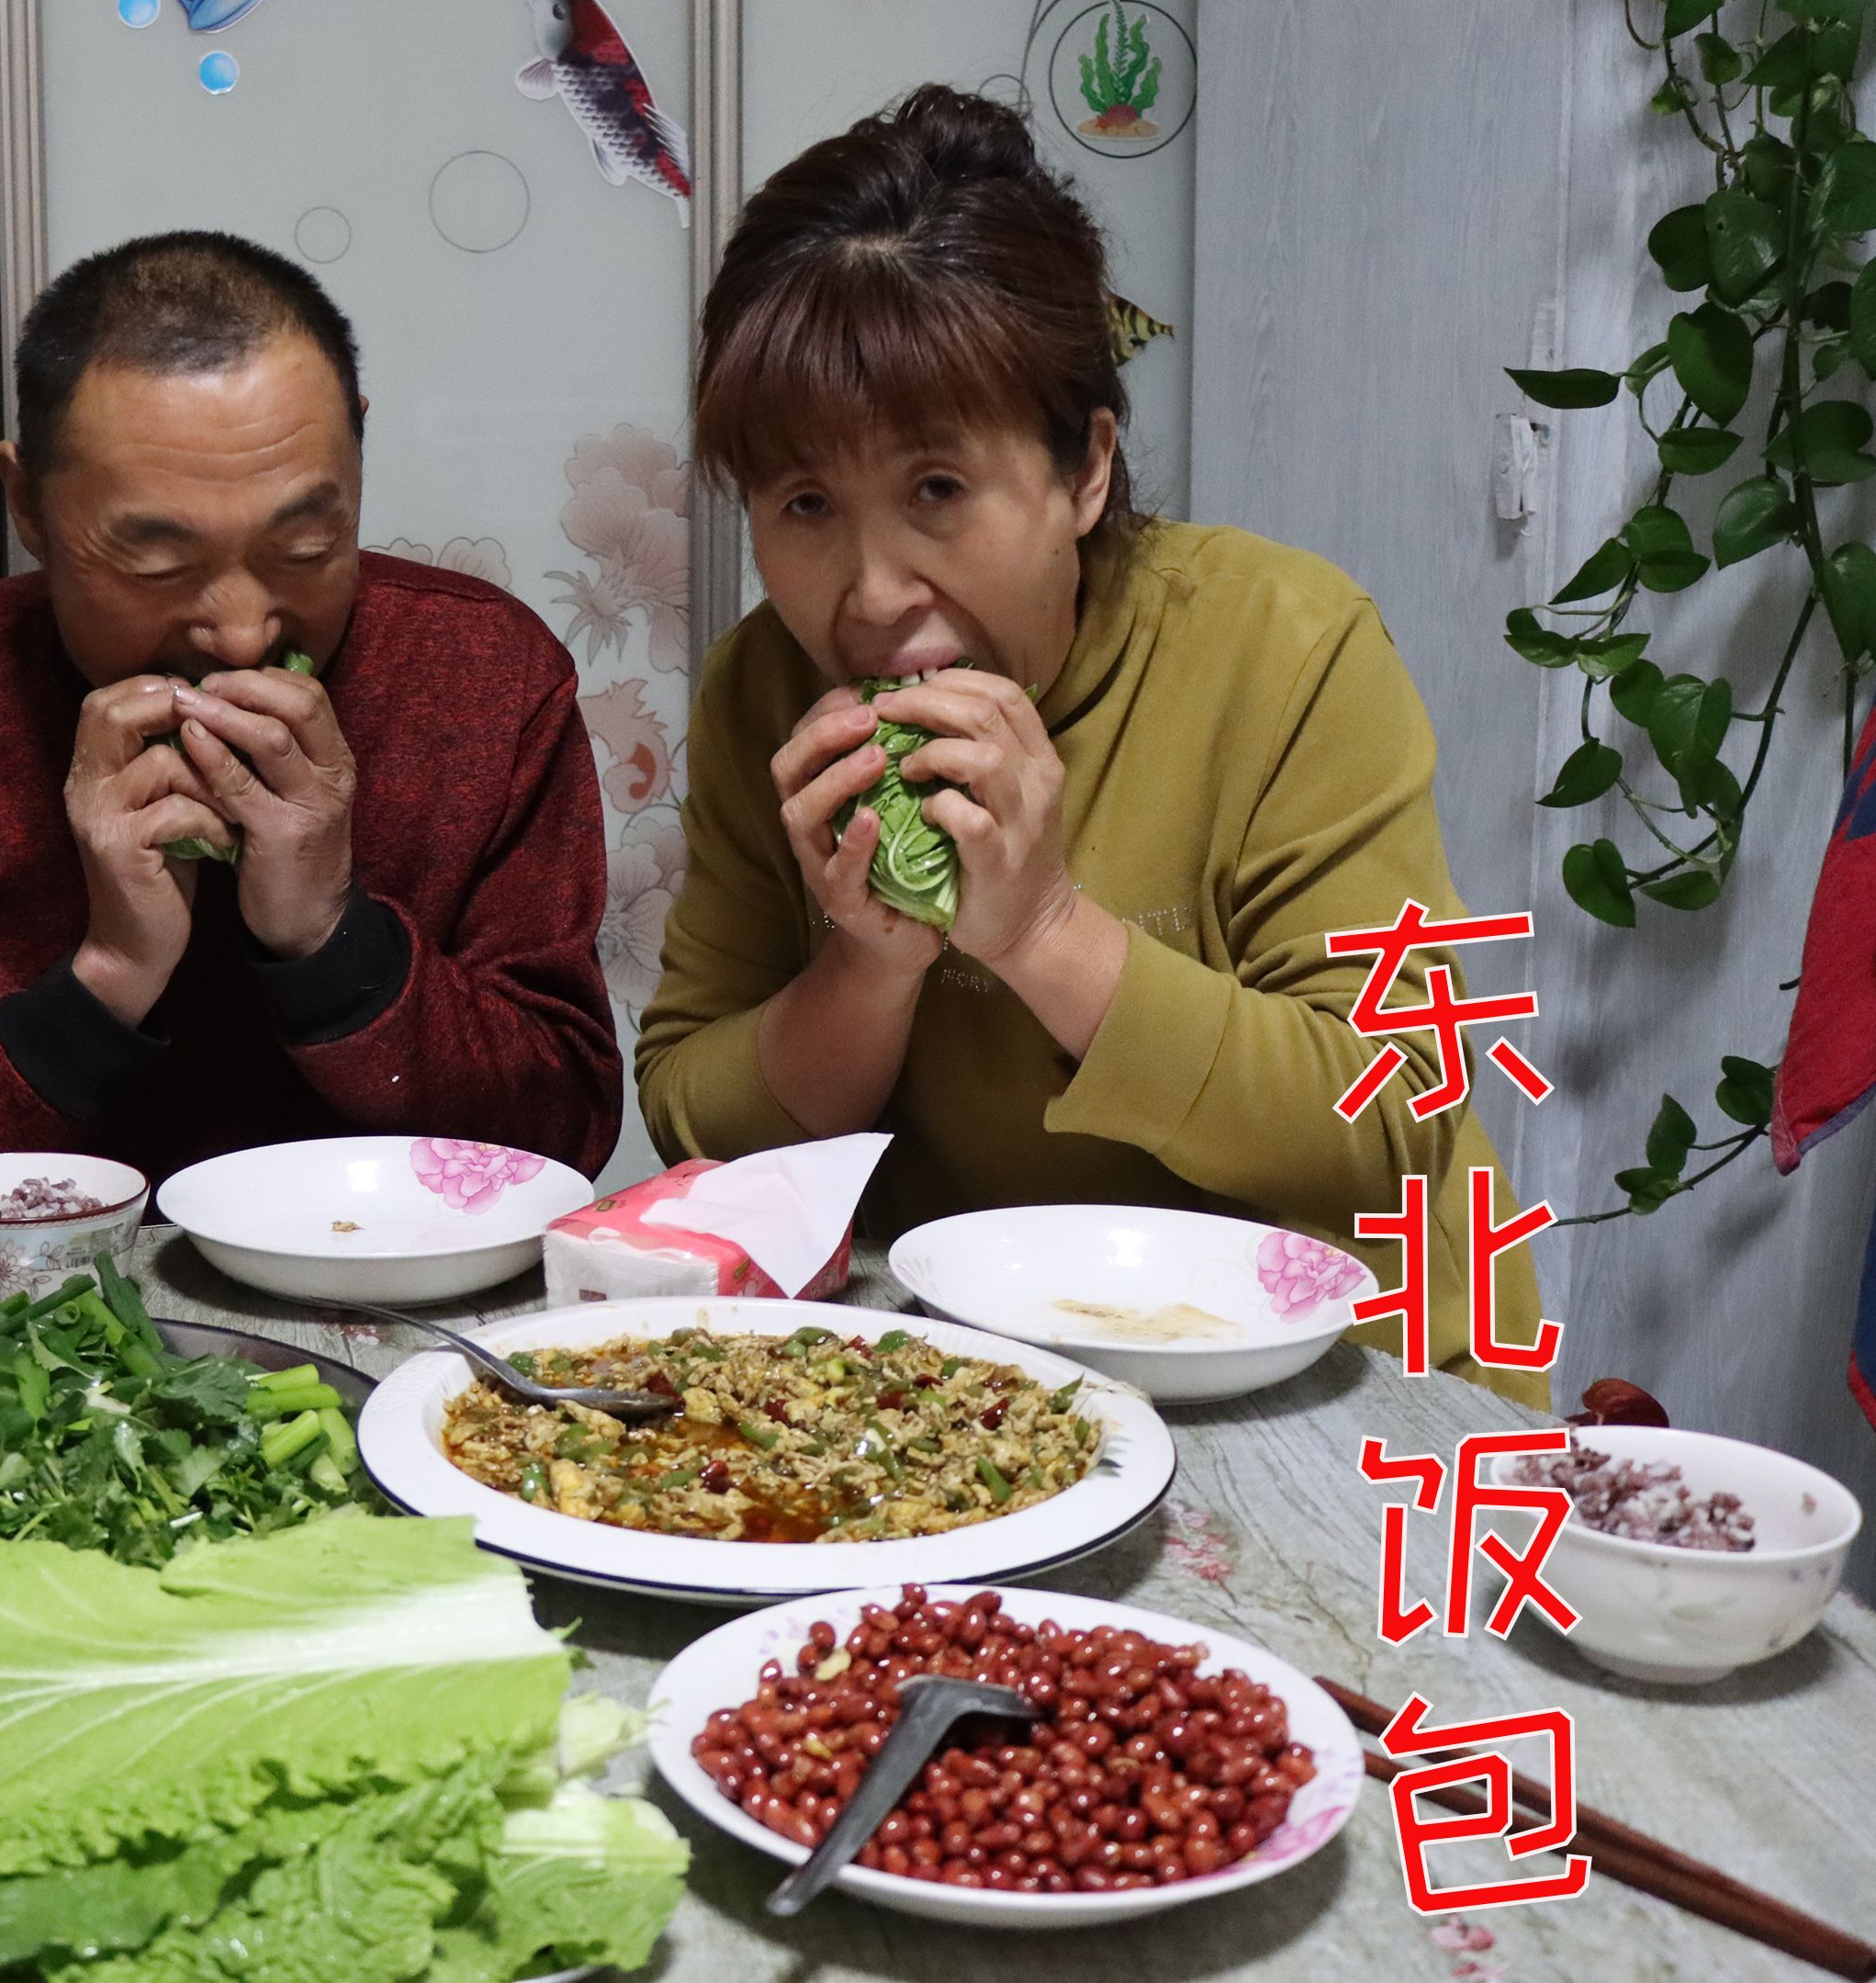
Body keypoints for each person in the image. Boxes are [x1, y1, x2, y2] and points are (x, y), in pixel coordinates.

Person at [635, 86, 1547, 1404]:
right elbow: (690, 1122)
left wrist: (1043, 930)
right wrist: (864, 971)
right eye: (805, 503)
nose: (873, 587)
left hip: (1355, 1385)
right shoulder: (763, 694)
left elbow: (1394, 1118)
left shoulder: (1281, 644)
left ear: (1084, 471)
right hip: (998, 1389)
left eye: (936, 490)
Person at [0, 231, 620, 1265]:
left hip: (403, 1322)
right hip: (14, 1355)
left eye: (303, 549)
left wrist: (329, 938)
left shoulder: (486, 675)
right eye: (158, 563)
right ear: (26, 501)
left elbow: (560, 1135)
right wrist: (106, 976)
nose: (242, 631)